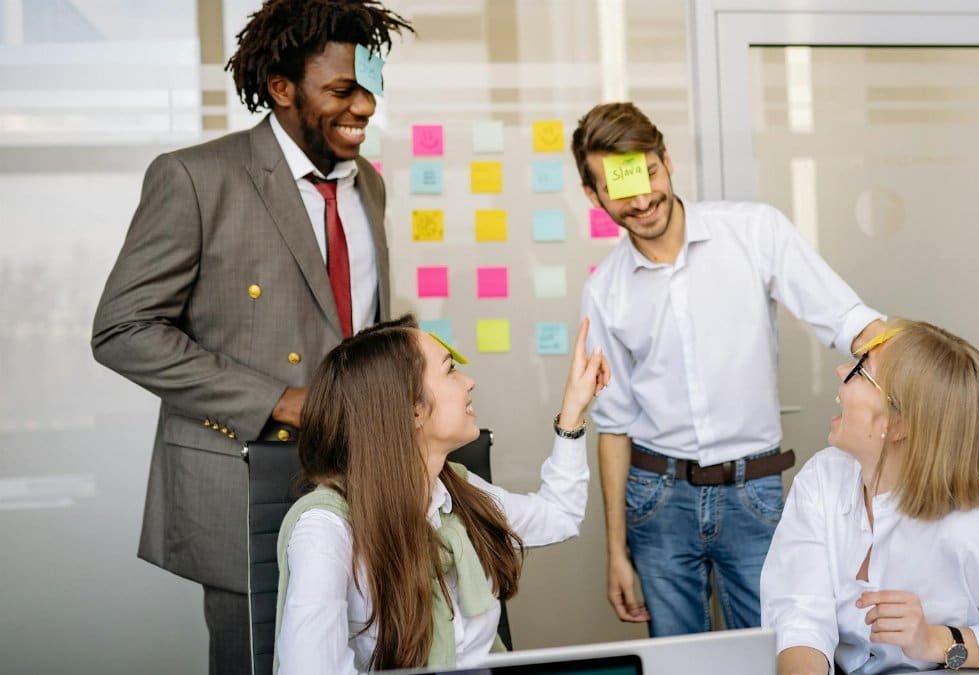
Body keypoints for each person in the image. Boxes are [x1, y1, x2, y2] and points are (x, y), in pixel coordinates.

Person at [570, 101, 979, 637]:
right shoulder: (605, 291)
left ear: (666, 160)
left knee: (777, 641)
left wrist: (964, 398)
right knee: (676, 660)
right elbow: (613, 424)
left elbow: (851, 322)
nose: (642, 200)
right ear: (594, 196)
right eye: (620, 189)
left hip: (751, 491)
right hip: (656, 497)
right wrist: (616, 550)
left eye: (650, 175)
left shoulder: (754, 231)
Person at [90, 2, 412, 672]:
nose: (364, 107)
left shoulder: (369, 187)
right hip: (245, 476)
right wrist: (280, 399)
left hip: (359, 476)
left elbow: (357, 324)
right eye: (341, 90)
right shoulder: (196, 177)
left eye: (368, 90)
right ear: (282, 89)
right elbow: (123, 328)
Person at [273, 316, 610, 673]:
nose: (469, 382)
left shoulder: (457, 493)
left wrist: (573, 410)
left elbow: (560, 515)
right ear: (412, 409)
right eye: (450, 371)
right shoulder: (326, 529)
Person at [761, 320, 979, 674]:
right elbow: (801, 615)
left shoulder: (971, 531)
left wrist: (936, 641)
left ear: (899, 425)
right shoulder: (822, 479)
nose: (841, 371)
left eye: (861, 371)